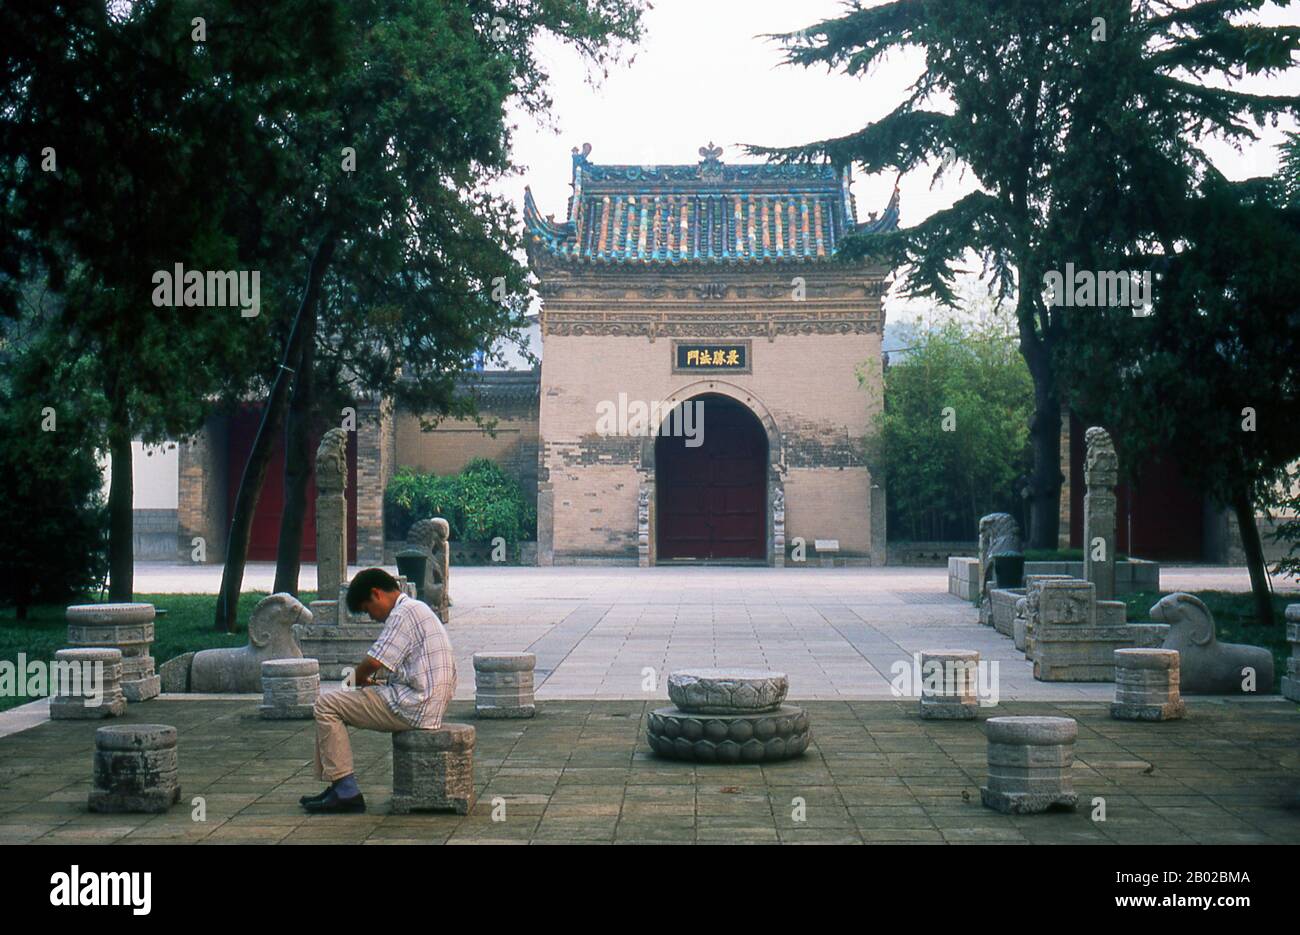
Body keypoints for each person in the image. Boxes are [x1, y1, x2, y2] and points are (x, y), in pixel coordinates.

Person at [301, 567, 457, 813]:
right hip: (426, 699)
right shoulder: (417, 609)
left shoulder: (403, 613)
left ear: (376, 594)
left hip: (414, 705)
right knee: (333, 704)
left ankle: (345, 790)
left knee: (326, 705)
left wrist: (355, 680)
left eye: (367, 609)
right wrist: (374, 684)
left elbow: (375, 662)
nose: (372, 618)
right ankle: (338, 785)